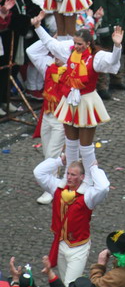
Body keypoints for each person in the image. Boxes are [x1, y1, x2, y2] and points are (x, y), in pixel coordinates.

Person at [31, 15, 123, 175]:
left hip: (86, 102)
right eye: (74, 43)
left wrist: (117, 45)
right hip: (69, 102)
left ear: (88, 44)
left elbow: (113, 61)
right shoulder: (70, 54)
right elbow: (51, 44)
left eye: (80, 44)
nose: (76, 46)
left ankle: (88, 177)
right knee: (70, 144)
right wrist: (38, 26)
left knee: (86, 147)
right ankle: (70, 176)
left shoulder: (96, 57)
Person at [33, 152, 110, 286]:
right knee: (64, 284)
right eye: (67, 173)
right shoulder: (57, 188)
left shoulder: (88, 195)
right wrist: (59, 161)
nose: (68, 177)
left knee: (70, 285)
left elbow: (103, 187)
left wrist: (94, 168)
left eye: (73, 175)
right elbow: (38, 172)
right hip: (61, 244)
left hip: (78, 247)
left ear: (82, 177)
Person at [27, 37, 65, 204]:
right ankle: (58, 179)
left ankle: (50, 189)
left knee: (52, 154)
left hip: (61, 119)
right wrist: (49, 38)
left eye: (59, 52)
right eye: (54, 51)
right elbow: (31, 51)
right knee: (47, 153)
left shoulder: (72, 71)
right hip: (47, 116)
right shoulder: (48, 65)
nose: (55, 55)